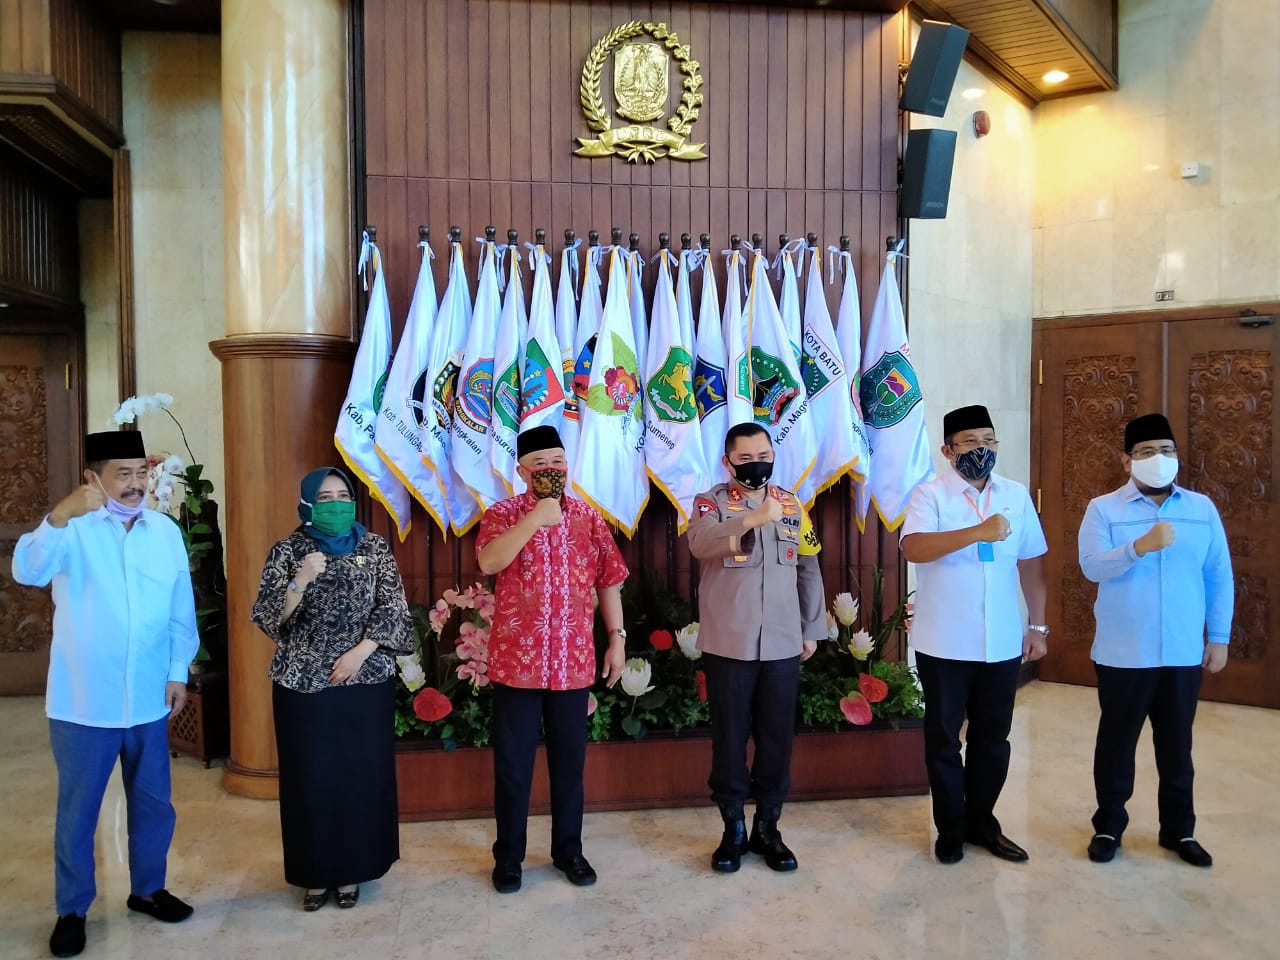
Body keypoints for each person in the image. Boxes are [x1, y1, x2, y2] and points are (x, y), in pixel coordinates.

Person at [12, 430, 197, 958]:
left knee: (153, 803)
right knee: (79, 811)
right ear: (94, 477)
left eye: (142, 473)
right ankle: (72, 910)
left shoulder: (164, 532)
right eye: (124, 474)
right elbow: (25, 570)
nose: (137, 485)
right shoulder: (71, 531)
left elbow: (180, 611)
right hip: (83, 701)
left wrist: (177, 670)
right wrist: (59, 514)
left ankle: (148, 890)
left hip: (147, 697)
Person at [250, 467, 414, 910]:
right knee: (311, 779)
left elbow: (394, 606)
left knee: (361, 777)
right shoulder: (288, 550)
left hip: (364, 681)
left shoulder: (374, 546)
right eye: (325, 497)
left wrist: (361, 651)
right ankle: (315, 875)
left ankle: (355, 871)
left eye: (343, 495)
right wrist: (299, 580)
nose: (337, 504)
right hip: (303, 685)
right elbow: (268, 618)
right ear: (307, 504)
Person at [476, 425, 629, 894]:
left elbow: (610, 581)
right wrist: (534, 521)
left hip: (573, 662)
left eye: (558, 462)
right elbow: (488, 564)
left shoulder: (588, 518)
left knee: (569, 766)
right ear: (521, 470)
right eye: (540, 463)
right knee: (513, 767)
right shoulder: (501, 514)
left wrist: (617, 638)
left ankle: (569, 850)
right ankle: (509, 858)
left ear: (569, 467)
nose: (550, 470)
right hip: (516, 665)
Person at [1078, 413, 1233, 867]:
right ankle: (1108, 825)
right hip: (1125, 653)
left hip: (1182, 651)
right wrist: (1138, 547)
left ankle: (1179, 832)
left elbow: (1218, 575)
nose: (1158, 459)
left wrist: (1219, 636)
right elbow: (1092, 567)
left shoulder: (1201, 509)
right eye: (1146, 452)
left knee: (1176, 746)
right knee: (1117, 744)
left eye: (1166, 451)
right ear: (1127, 460)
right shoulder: (1104, 509)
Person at [901, 405, 1048, 865]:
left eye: (988, 440)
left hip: (1002, 640)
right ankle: (951, 828)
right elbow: (915, 547)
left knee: (993, 739)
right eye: (969, 442)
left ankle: (983, 821)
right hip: (944, 641)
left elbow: (1031, 562)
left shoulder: (1016, 495)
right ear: (948, 450)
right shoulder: (930, 495)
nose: (981, 449)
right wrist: (977, 532)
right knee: (944, 740)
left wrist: (1038, 626)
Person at [687, 422, 826, 874]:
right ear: (727, 462)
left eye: (763, 455)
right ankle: (732, 830)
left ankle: (769, 826)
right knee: (729, 740)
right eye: (745, 458)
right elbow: (701, 544)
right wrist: (750, 518)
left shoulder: (791, 504)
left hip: (784, 642)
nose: (756, 464)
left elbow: (808, 567)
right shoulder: (709, 503)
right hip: (730, 644)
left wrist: (811, 629)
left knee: (777, 738)